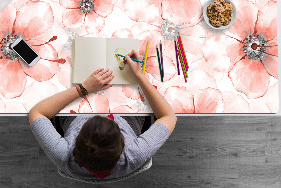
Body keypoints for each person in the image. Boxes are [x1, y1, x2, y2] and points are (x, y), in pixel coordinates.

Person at [29, 50, 177, 180]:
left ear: (77, 141)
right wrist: (138, 75)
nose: (105, 113)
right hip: (129, 119)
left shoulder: (63, 155)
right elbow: (169, 116)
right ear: (123, 145)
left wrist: (83, 88)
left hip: (74, 116)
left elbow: (36, 112)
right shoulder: (135, 154)